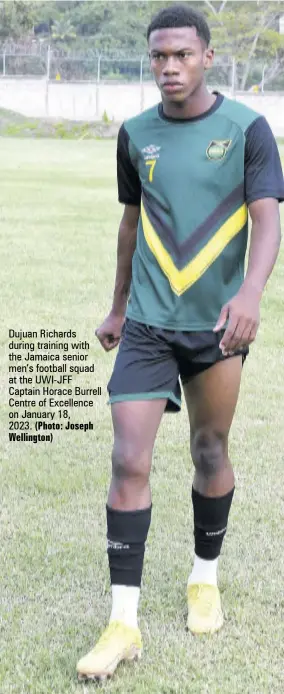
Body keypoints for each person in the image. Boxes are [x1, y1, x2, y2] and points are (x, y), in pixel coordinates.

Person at [76, 3, 284, 682]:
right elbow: (131, 225)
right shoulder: (135, 134)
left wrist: (250, 294)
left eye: (182, 55)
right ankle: (122, 623)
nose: (169, 67)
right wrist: (115, 308)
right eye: (159, 56)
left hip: (216, 327)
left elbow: (265, 217)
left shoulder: (248, 129)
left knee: (209, 449)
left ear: (208, 58)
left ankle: (204, 576)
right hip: (146, 323)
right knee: (128, 459)